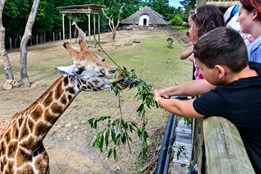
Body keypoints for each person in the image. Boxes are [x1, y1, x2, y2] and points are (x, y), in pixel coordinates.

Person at [154, 27, 261, 173]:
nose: (201, 74)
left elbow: (181, 108)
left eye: (202, 69)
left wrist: (159, 101)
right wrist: (168, 91)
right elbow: (204, 85)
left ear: (219, 71)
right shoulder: (254, 69)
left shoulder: (225, 99)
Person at [179, 5, 225, 80]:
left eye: (191, 26)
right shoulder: (202, 47)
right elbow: (183, 56)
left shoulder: (209, 52)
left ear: (202, 28)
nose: (189, 31)